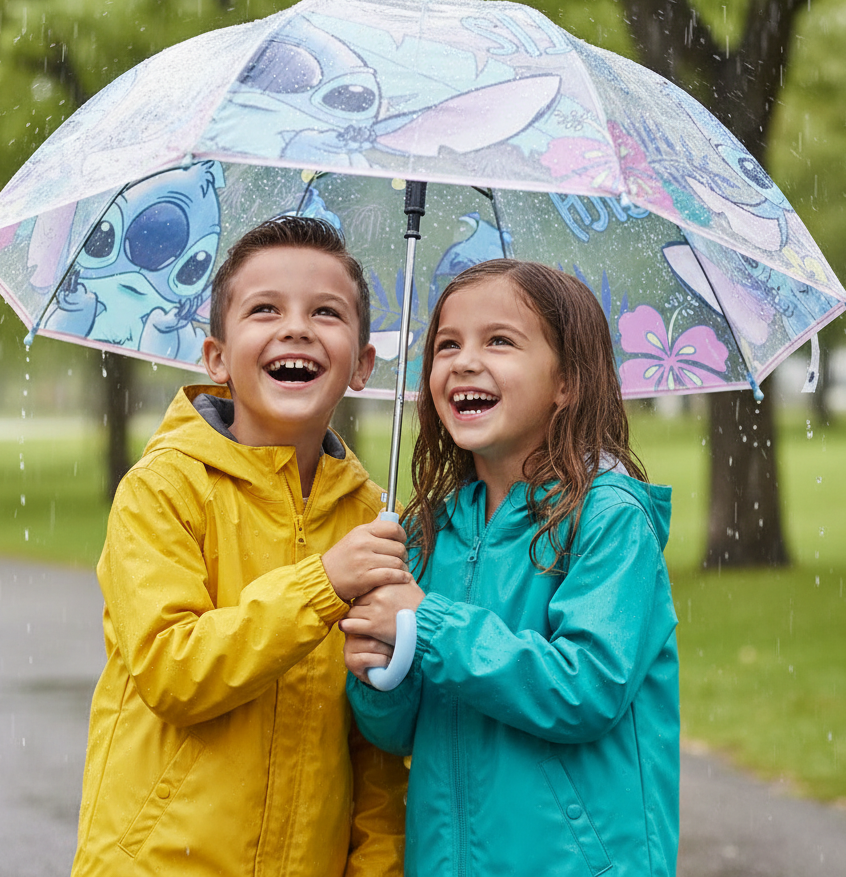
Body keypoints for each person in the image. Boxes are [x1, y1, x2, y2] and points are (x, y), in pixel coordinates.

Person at [71, 216, 410, 877]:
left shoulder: (373, 521)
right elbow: (174, 672)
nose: (295, 328)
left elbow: (374, 745)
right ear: (217, 358)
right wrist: (322, 586)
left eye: (326, 312)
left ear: (363, 364)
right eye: (264, 309)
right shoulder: (164, 488)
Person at [342, 259, 680, 877]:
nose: (465, 361)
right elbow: (400, 733)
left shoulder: (608, 519)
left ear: (568, 383)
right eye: (448, 345)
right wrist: (378, 670)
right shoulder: (425, 531)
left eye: (499, 340)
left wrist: (427, 621)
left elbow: (585, 690)